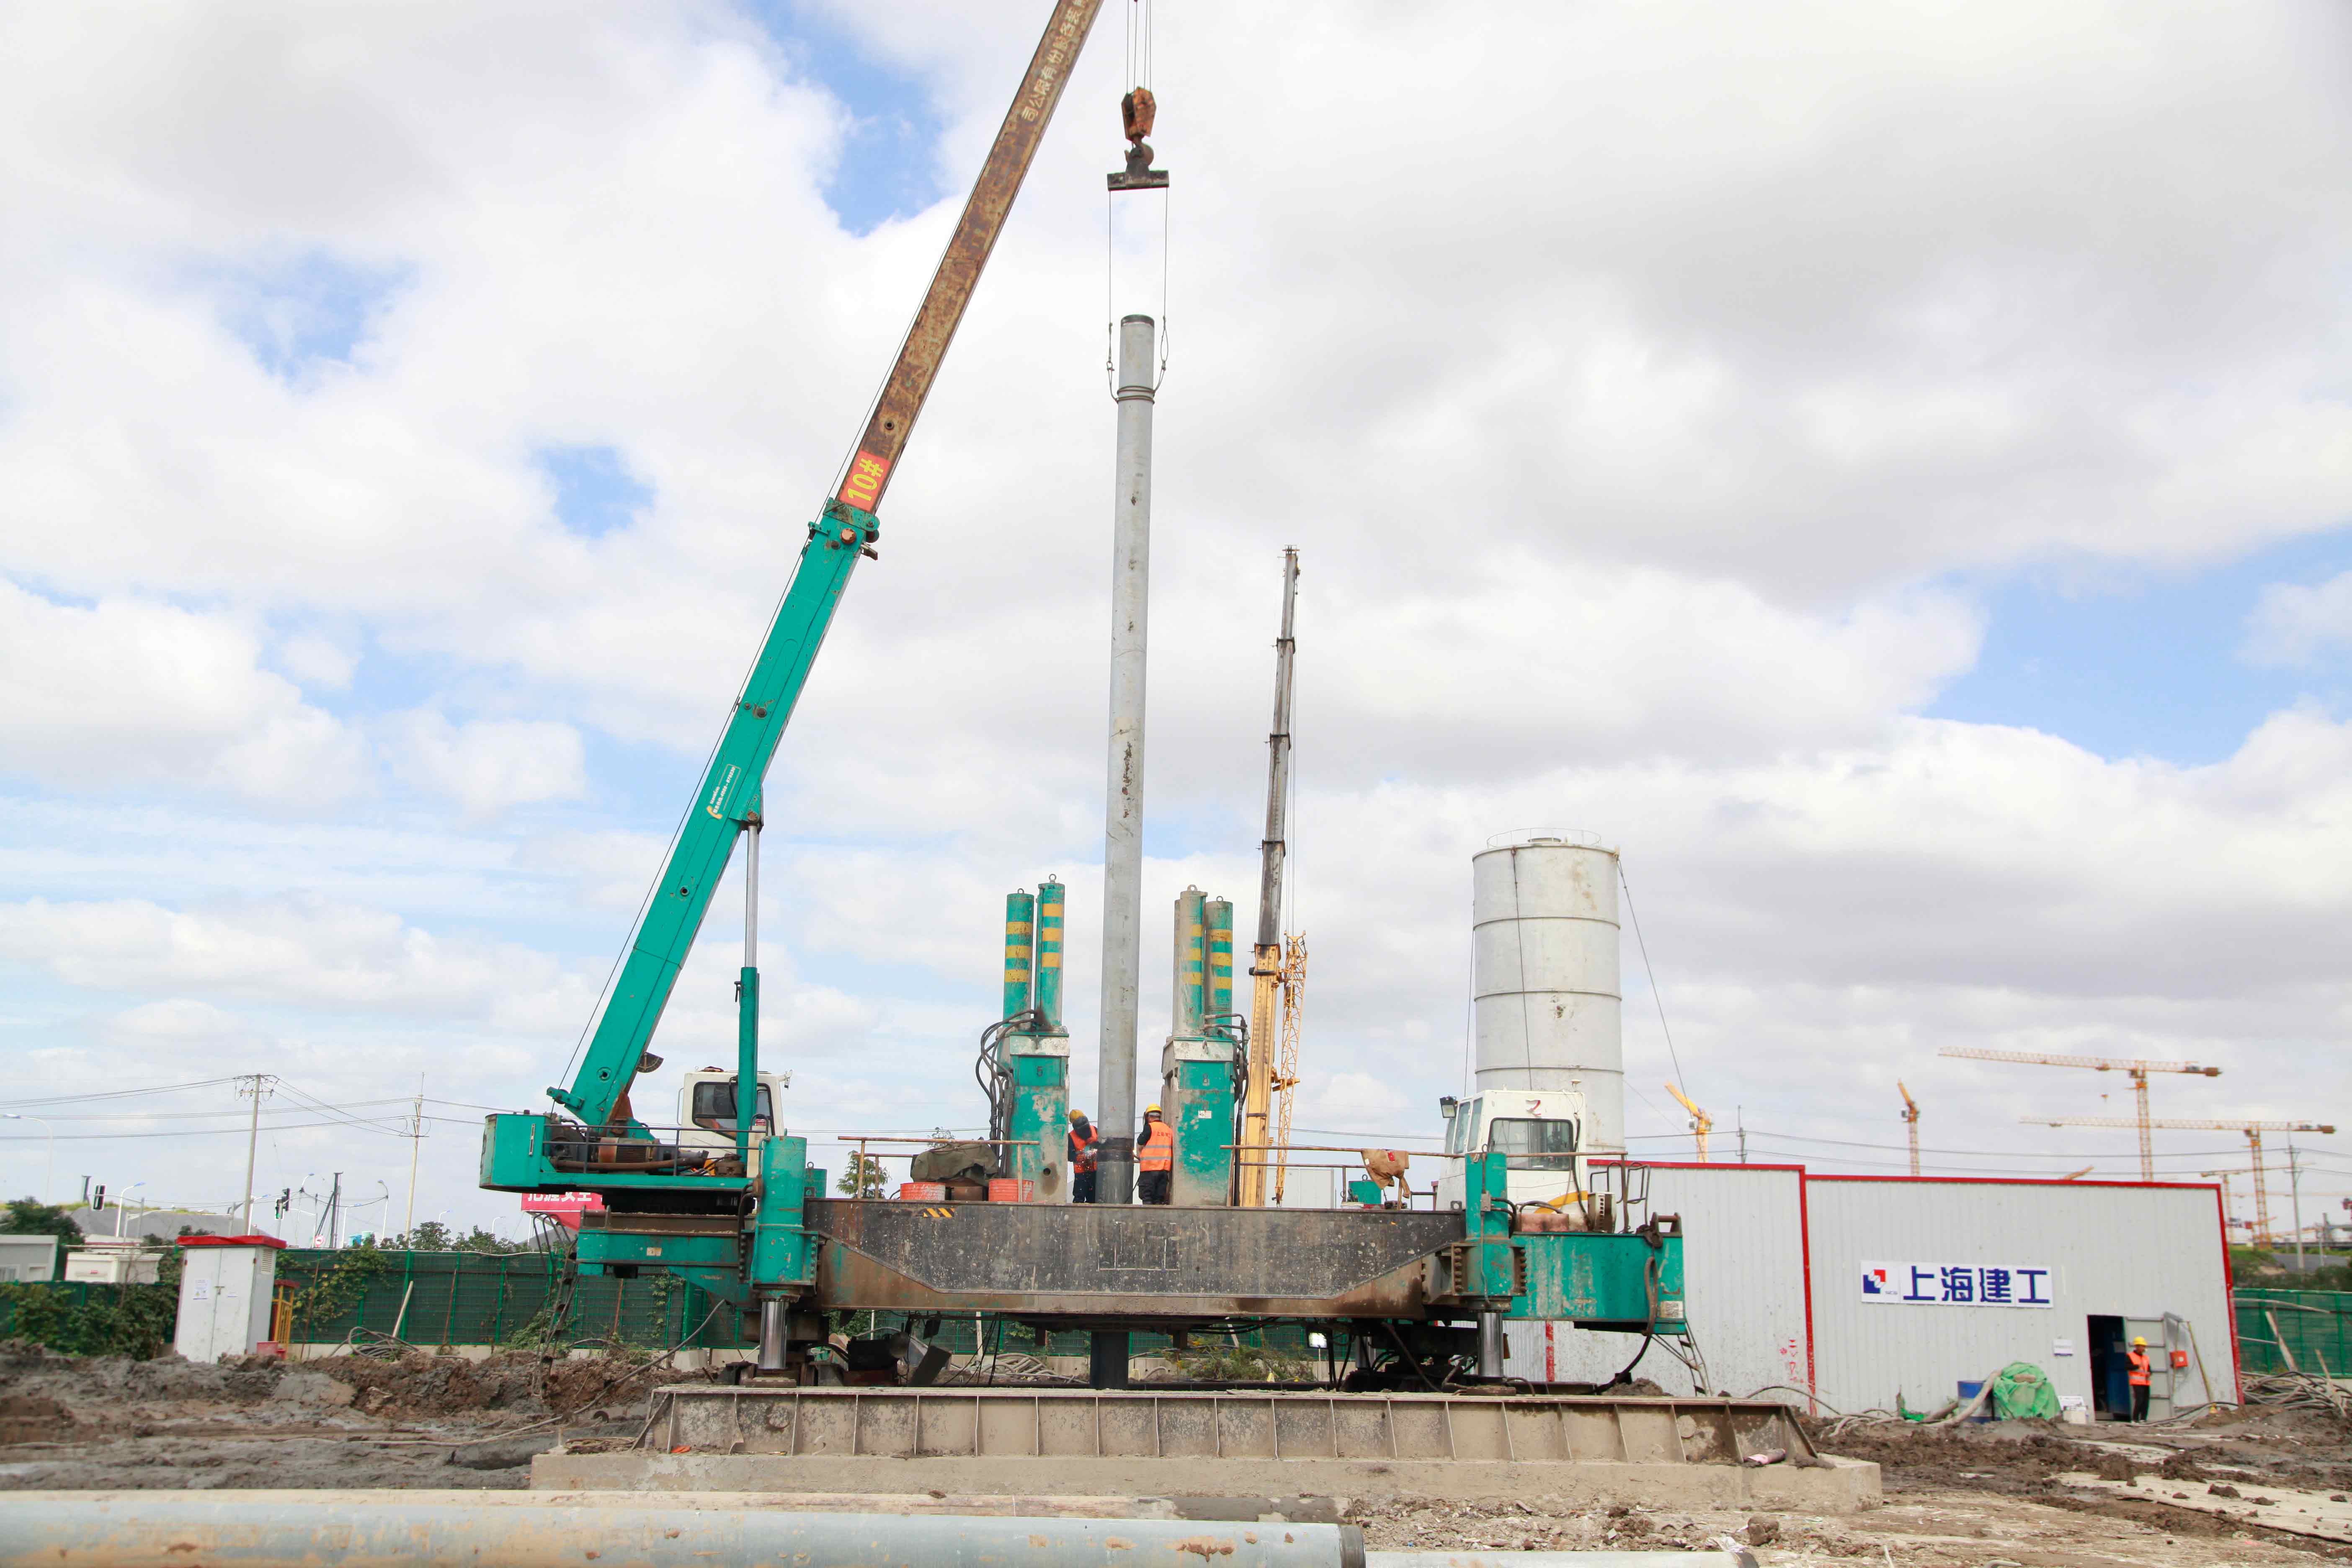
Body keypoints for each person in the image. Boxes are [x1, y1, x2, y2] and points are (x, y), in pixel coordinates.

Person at [1137, 1104, 1174, 1204]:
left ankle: (1147, 1218)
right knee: (1159, 1199)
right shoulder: (1169, 1130)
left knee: (1147, 1198)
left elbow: (1140, 1141)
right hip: (1164, 1170)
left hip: (1150, 1169)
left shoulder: (1150, 1127)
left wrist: (1146, 1125)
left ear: (1148, 1116)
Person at [1067, 1109, 1100, 1204]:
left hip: (1094, 1172)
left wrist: (1096, 1145)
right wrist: (1082, 1156)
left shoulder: (1095, 1130)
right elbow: (1070, 1156)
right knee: (1080, 1199)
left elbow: (1103, 1147)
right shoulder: (1071, 1137)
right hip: (1082, 1173)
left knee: (1092, 1199)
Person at [2126, 1335, 2152, 1421]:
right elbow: (2127, 1367)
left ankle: (2143, 1419)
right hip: (2137, 1382)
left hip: (2146, 1382)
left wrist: (2150, 1373)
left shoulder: (2146, 1358)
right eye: (2143, 1346)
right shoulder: (2130, 1356)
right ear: (2137, 1346)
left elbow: (2149, 1369)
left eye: (2145, 1346)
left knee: (2146, 1402)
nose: (2144, 1348)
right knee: (2139, 1401)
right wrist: (2137, 1366)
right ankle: (2135, 1419)